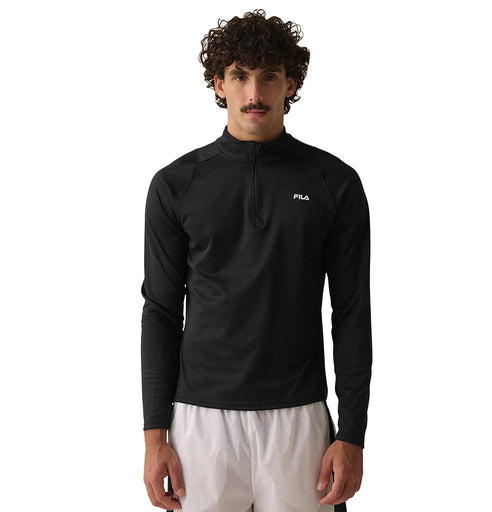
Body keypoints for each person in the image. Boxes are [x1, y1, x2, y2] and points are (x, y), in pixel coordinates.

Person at [141, 9, 372, 512]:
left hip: (300, 418)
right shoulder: (175, 185)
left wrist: (352, 433)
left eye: (269, 76)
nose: (254, 93)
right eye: (240, 75)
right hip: (200, 421)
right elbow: (160, 312)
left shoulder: (334, 183)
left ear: (291, 83)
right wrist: (154, 436)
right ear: (218, 83)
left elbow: (352, 312)